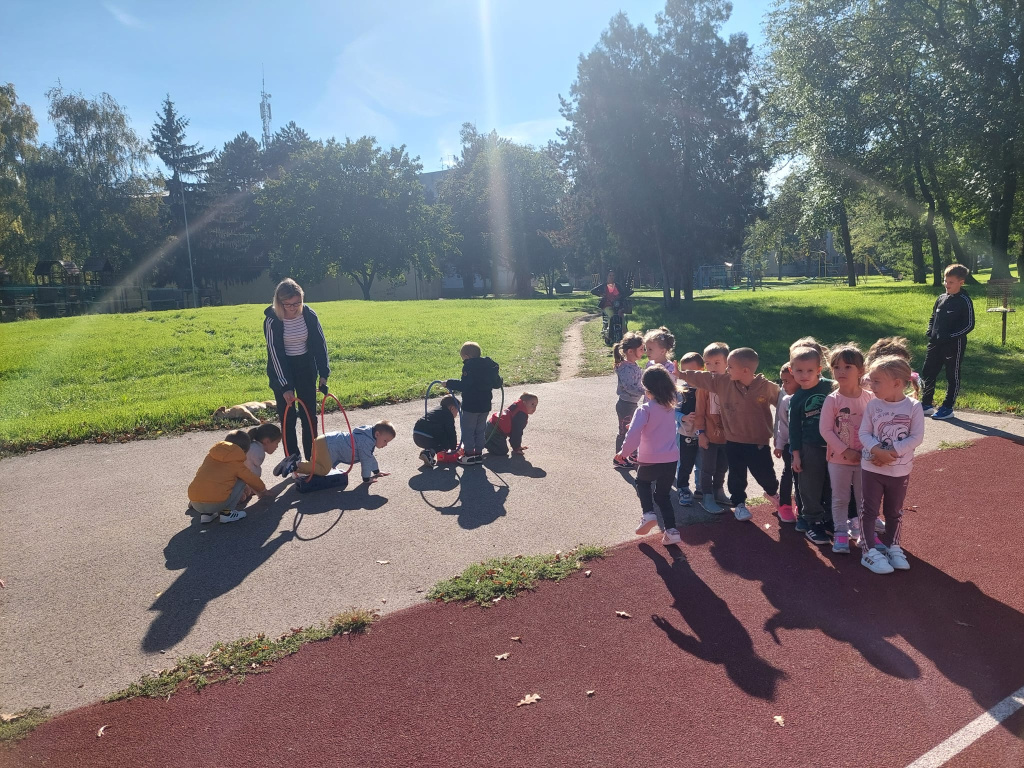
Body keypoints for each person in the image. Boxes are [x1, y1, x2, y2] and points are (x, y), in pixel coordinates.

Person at [677, 347, 781, 522]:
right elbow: (703, 384)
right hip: (722, 439)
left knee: (750, 471)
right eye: (708, 364)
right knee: (724, 472)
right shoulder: (717, 383)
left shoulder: (758, 386)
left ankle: (766, 492)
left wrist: (782, 434)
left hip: (746, 440)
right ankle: (726, 500)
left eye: (727, 365)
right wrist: (682, 374)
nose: (724, 369)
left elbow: (784, 404)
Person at [858, 356, 925, 574]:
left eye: (877, 381)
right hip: (872, 469)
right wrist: (878, 451)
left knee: (894, 512)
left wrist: (891, 453)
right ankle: (868, 550)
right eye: (871, 380)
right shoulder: (873, 405)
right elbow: (864, 433)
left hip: (899, 471)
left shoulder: (914, 407)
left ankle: (892, 547)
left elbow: (916, 437)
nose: (871, 385)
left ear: (896, 383)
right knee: (869, 510)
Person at [264, 279, 330, 463]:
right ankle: (292, 460)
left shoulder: (309, 314)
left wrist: (324, 373)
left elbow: (320, 344)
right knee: (288, 417)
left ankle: (312, 458)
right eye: (288, 304)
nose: (293, 308)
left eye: (297, 303)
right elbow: (275, 354)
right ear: (279, 302)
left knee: (309, 416)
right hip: (282, 370)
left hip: (305, 368)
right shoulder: (272, 320)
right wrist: (285, 386)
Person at [616, 365, 682, 546]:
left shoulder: (644, 409)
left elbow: (634, 434)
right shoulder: (670, 408)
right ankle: (672, 530)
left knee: (642, 483)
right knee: (663, 495)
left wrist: (624, 452)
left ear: (647, 389)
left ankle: (648, 513)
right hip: (670, 459)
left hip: (650, 458)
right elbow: (658, 427)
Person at [819, 344, 873, 554]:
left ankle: (864, 533)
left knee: (864, 499)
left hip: (865, 460)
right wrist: (845, 450)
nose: (841, 371)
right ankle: (841, 533)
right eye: (836, 367)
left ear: (861, 370)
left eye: (847, 367)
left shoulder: (870, 398)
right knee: (840, 498)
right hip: (838, 460)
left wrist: (871, 451)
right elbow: (825, 430)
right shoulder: (832, 400)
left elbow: (875, 426)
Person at [789, 342, 835, 545]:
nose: (804, 375)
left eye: (809, 370)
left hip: (835, 446)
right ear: (792, 370)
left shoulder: (831, 386)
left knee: (831, 485)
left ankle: (829, 519)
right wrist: (796, 455)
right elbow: (794, 429)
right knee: (809, 486)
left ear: (819, 369)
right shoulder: (797, 398)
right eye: (799, 370)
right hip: (810, 447)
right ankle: (812, 522)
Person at [921, 264, 974, 420]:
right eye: (945, 281)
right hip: (935, 343)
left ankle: (947, 407)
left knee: (952, 375)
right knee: (928, 371)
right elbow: (933, 317)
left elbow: (969, 325)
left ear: (961, 282)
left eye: (951, 282)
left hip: (953, 345)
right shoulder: (941, 298)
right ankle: (926, 404)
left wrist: (950, 336)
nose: (946, 284)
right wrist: (930, 330)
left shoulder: (964, 300)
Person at [188, 430, 272, 525]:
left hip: (195, 503)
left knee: (208, 479)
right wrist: (263, 490)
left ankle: (207, 515)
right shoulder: (236, 462)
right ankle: (227, 513)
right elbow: (251, 478)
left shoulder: (211, 455)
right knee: (242, 479)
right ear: (243, 451)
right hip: (215, 504)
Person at [281, 421, 396, 484]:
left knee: (316, 466)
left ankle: (294, 468)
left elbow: (369, 457)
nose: (385, 444)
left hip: (324, 441)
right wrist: (366, 478)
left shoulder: (367, 436)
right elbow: (366, 461)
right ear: (377, 434)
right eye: (385, 441)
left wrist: (376, 471)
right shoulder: (366, 442)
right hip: (327, 444)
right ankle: (295, 464)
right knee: (323, 470)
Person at [445, 342, 503, 465]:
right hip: (485, 406)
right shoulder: (489, 366)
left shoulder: (469, 366)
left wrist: (449, 383)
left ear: (467, 356)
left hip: (471, 406)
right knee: (480, 429)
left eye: (463, 359)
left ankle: (470, 454)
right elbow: (497, 383)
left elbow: (465, 385)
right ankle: (478, 453)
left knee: (468, 430)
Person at [693, 342, 729, 514]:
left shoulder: (733, 382)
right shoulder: (704, 385)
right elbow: (699, 411)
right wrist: (700, 433)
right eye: (708, 363)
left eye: (717, 363)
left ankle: (718, 491)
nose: (712, 367)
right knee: (707, 468)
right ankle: (707, 496)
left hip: (728, 437)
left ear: (727, 362)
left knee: (722, 467)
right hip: (708, 436)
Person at [675, 352, 704, 505]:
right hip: (685, 434)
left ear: (702, 370)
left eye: (692, 371)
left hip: (704, 434)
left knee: (702, 463)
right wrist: (683, 417)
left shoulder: (706, 389)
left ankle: (701, 488)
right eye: (684, 372)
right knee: (685, 463)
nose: (688, 375)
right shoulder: (680, 391)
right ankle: (683, 488)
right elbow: (672, 411)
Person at [612, 332, 645, 465]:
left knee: (631, 430)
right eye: (641, 349)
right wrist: (645, 391)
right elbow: (629, 387)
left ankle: (631, 454)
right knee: (624, 431)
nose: (644, 351)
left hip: (631, 404)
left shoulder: (633, 365)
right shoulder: (625, 368)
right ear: (630, 351)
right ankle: (619, 458)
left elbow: (637, 383)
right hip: (625, 405)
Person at [773, 363, 799, 524]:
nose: (784, 386)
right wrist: (779, 444)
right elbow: (782, 425)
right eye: (782, 381)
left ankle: (802, 506)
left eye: (787, 381)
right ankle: (784, 505)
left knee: (804, 477)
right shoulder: (785, 401)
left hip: (808, 446)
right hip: (790, 445)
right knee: (789, 472)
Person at [239, 423, 283, 507]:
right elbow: (253, 475)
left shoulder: (252, 445)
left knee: (247, 491)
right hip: (234, 480)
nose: (277, 447)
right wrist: (262, 491)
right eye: (277, 443)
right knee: (242, 496)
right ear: (267, 441)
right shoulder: (258, 452)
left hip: (238, 477)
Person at [485, 392, 539, 456]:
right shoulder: (520, 415)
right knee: (502, 451)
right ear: (524, 403)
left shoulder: (517, 406)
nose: (534, 408)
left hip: (492, 425)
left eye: (536, 405)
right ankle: (483, 442)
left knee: (501, 445)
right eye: (532, 404)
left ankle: (484, 439)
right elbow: (516, 433)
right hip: (495, 430)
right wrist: (516, 448)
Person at [414, 395, 460, 466]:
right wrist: (453, 447)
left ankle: (427, 453)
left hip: (416, 434)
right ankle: (429, 453)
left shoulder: (437, 411)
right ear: (452, 408)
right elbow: (451, 432)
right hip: (427, 436)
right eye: (457, 411)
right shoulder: (448, 415)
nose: (457, 414)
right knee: (445, 443)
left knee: (439, 433)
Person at [591, 270, 632, 338]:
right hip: (607, 305)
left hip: (617, 305)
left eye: (613, 275)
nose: (611, 277)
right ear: (607, 276)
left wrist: (627, 294)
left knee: (621, 317)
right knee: (612, 316)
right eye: (610, 275)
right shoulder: (603, 285)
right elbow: (593, 291)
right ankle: (610, 332)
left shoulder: (618, 286)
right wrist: (601, 294)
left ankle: (625, 335)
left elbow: (623, 293)